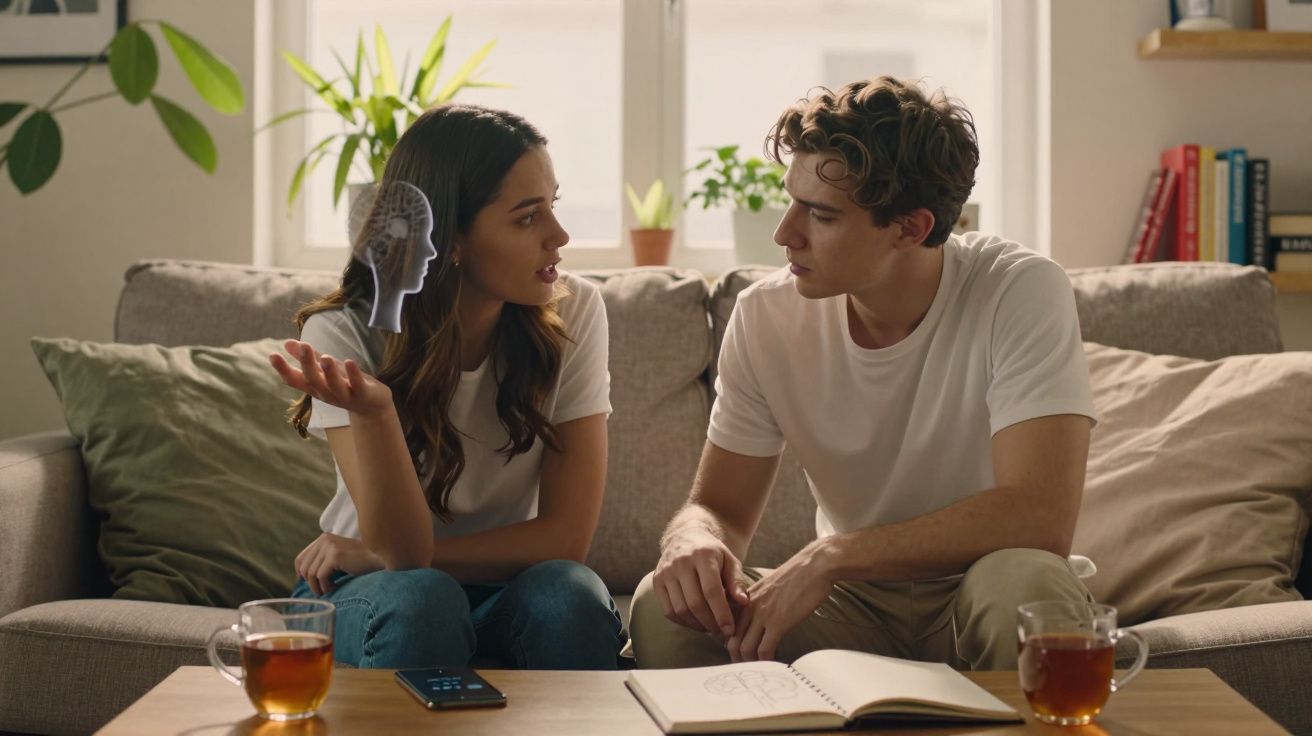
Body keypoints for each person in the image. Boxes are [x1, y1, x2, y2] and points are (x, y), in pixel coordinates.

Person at [628, 76, 1098, 671]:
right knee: (661, 607)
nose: (784, 234)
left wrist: (831, 557)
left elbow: (1039, 516)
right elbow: (720, 508)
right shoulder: (765, 316)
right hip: (849, 607)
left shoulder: (1018, 289)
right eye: (791, 201)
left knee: (1024, 585)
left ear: (910, 228)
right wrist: (692, 537)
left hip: (981, 588)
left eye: (821, 215)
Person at [269, 103, 623, 670]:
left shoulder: (574, 311)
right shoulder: (343, 332)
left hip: (490, 587)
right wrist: (377, 414)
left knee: (569, 595)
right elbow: (402, 555)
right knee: (423, 600)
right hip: (372, 593)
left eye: (552, 207)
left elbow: (565, 540)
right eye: (527, 218)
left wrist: (381, 555)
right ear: (450, 239)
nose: (559, 236)